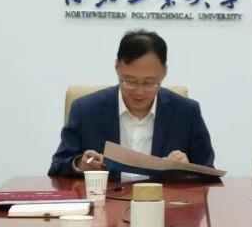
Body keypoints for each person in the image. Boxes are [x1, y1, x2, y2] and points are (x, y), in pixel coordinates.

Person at [48, 29, 215, 176]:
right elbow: (57, 167)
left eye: (149, 83)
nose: (139, 92)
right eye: (130, 81)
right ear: (117, 68)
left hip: (164, 201)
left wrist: (186, 170)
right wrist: (79, 164)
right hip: (105, 200)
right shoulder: (85, 110)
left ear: (164, 73)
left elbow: (208, 173)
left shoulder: (186, 112)